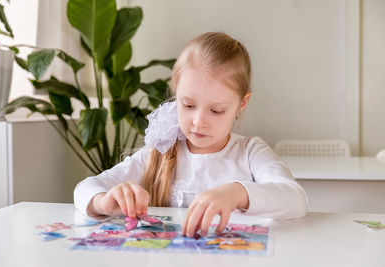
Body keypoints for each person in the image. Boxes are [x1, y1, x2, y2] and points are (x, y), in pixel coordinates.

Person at [74, 32, 308, 238]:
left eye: (216, 110)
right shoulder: (160, 152)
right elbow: (85, 188)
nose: (198, 122)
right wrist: (103, 201)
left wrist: (237, 193)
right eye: (187, 105)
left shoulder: (250, 152)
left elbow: (296, 199)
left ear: (242, 104)